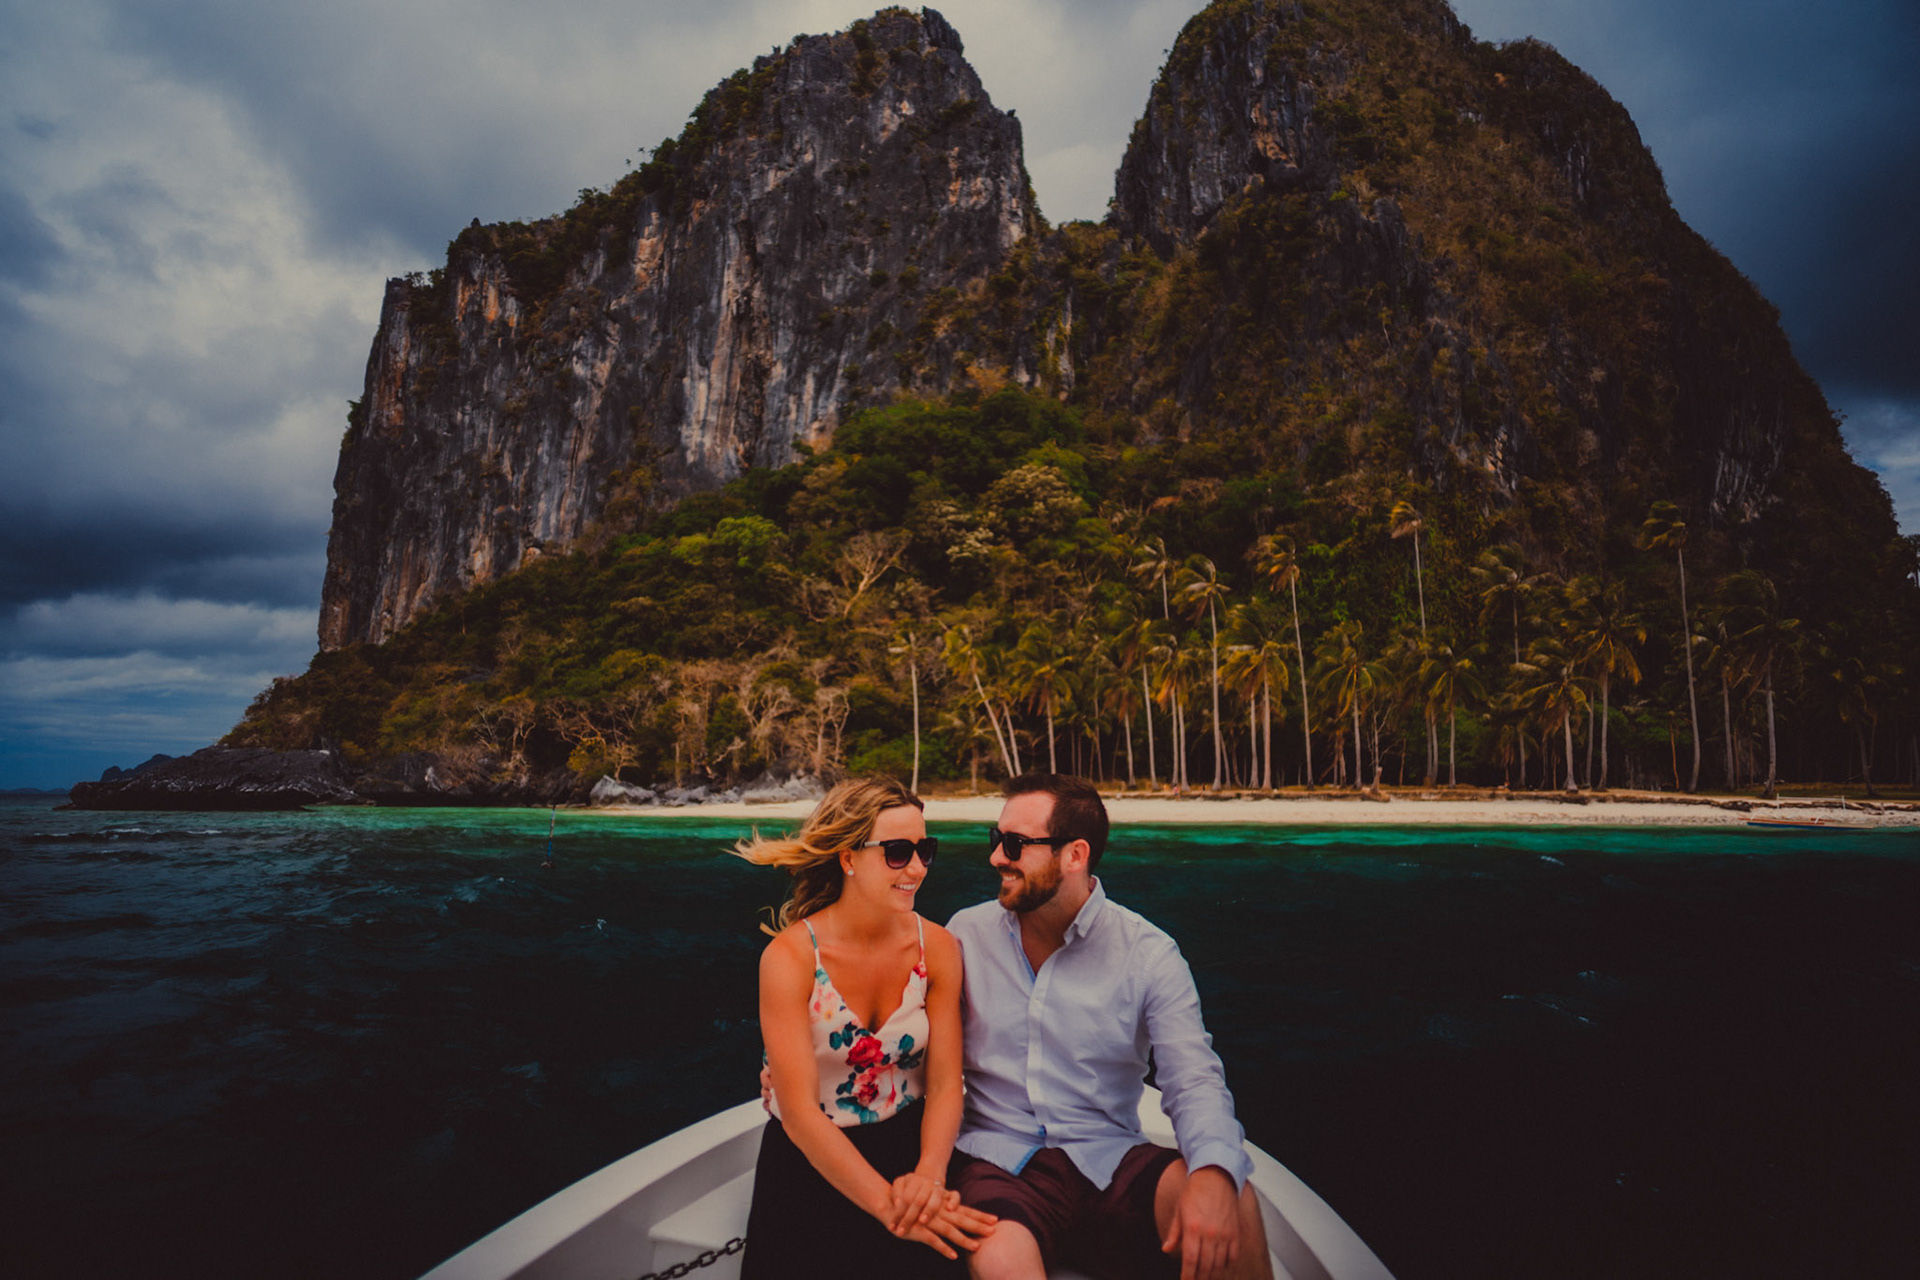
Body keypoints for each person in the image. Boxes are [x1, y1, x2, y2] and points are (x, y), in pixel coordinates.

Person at [948, 772, 1273, 1280]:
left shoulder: (1149, 954)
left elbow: (1193, 1080)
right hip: (999, 1162)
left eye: (1013, 844)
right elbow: (913, 1034)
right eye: (996, 839)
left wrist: (1211, 1172)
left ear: (1075, 855)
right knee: (1001, 1257)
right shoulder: (965, 935)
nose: (995, 857)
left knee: (1238, 1203)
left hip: (1109, 1158)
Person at [734, 777, 997, 1279]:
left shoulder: (937, 948)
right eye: (897, 852)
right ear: (848, 858)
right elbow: (800, 1114)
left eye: (925, 849)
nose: (917, 868)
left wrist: (928, 1175)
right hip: (809, 1163)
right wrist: (891, 1211)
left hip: (910, 1150)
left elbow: (944, 1084)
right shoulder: (789, 958)